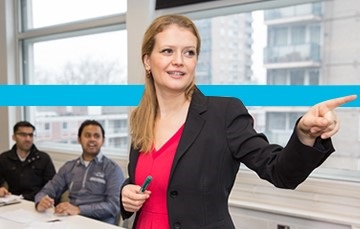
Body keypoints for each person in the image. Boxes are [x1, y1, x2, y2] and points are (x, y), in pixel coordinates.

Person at [119, 14, 357, 229]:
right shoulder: (141, 118)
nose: (179, 60)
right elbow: (145, 181)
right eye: (168, 51)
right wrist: (126, 193)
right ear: (148, 61)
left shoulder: (223, 113)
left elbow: (280, 172)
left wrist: (305, 135)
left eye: (189, 52)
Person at [35, 120, 125, 225]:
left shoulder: (112, 169)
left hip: (100, 224)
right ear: (79, 139)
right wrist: (40, 201)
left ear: (103, 140)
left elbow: (114, 205)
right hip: (71, 221)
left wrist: (79, 209)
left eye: (96, 136)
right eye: (87, 135)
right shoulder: (69, 167)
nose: (92, 139)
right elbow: (48, 190)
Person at [0, 121, 56, 201]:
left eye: (30, 135)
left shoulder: (43, 158)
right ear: (14, 137)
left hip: (36, 202)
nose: (28, 139)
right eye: (23, 135)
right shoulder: (4, 158)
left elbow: (53, 186)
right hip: (12, 201)